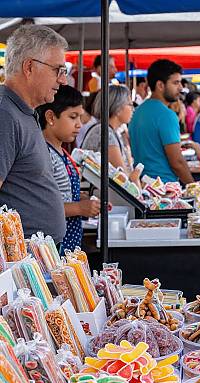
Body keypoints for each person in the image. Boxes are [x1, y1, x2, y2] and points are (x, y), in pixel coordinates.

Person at [0, 25, 67, 242]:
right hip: (23, 260)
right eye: (58, 70)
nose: (63, 80)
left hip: (36, 254)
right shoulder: (5, 114)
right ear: (29, 67)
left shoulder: (23, 110)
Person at [37, 85, 101, 253]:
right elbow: (44, 205)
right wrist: (80, 208)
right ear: (50, 117)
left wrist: (78, 196)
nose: (79, 125)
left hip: (71, 242)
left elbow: (58, 192)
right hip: (56, 245)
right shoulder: (44, 154)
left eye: (80, 117)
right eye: (73, 117)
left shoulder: (62, 151)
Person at [129, 59, 194, 184]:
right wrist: (194, 187)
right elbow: (177, 162)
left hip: (142, 184)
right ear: (160, 85)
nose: (180, 87)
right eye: (176, 83)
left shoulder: (138, 112)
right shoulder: (167, 115)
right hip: (163, 188)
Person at [81, 84, 140, 187]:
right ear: (118, 108)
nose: (133, 109)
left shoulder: (110, 131)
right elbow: (124, 180)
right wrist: (135, 179)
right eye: (130, 105)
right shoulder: (104, 132)